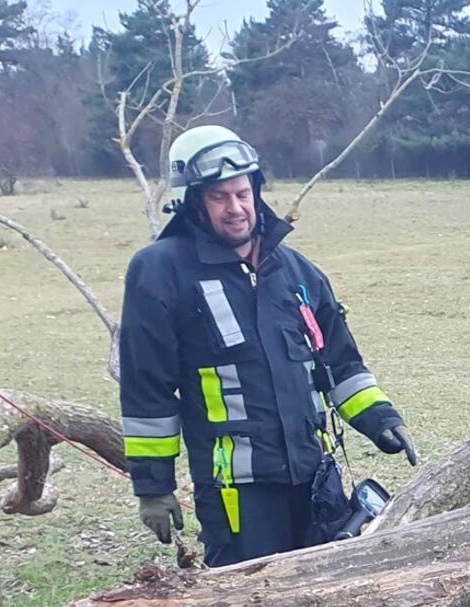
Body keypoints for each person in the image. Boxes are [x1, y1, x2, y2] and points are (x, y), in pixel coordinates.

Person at [118, 125, 417, 566]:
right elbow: (147, 389)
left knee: (329, 587)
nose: (236, 208)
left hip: (314, 477)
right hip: (238, 493)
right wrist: (152, 487)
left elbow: (339, 361)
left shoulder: (296, 271)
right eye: (219, 197)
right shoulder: (161, 271)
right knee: (248, 599)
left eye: (243, 194)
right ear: (193, 202)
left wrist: (379, 418)